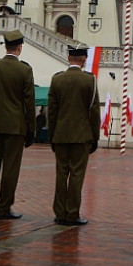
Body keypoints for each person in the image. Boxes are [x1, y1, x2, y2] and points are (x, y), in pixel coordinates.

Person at [0, 29, 34, 220]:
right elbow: (29, 102)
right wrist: (31, 130)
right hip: (15, 127)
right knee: (10, 169)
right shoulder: (25, 70)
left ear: (6, 46)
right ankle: (4, 206)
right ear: (19, 47)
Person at [48, 43, 100, 225]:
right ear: (84, 60)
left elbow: (52, 112)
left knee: (61, 174)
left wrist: (52, 135)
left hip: (60, 135)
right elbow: (94, 111)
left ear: (68, 58)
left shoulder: (57, 80)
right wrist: (95, 137)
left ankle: (59, 212)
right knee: (77, 175)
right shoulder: (90, 80)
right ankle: (72, 213)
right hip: (82, 136)